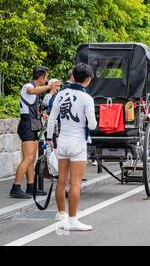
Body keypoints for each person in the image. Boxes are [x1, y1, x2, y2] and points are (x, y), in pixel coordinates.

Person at [47, 63, 96, 231]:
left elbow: (52, 119)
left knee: (61, 180)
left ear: (73, 76)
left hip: (62, 141)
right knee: (75, 183)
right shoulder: (87, 98)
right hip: (77, 143)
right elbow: (93, 125)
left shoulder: (61, 94)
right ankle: (73, 220)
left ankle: (62, 216)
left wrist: (48, 139)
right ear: (88, 79)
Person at [10, 67, 61, 199]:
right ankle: (15, 187)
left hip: (32, 125)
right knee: (27, 158)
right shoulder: (28, 86)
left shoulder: (36, 91)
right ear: (42, 77)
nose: (47, 80)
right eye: (46, 77)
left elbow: (30, 105)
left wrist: (41, 114)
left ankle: (31, 187)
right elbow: (31, 91)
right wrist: (49, 87)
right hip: (27, 125)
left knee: (31, 158)